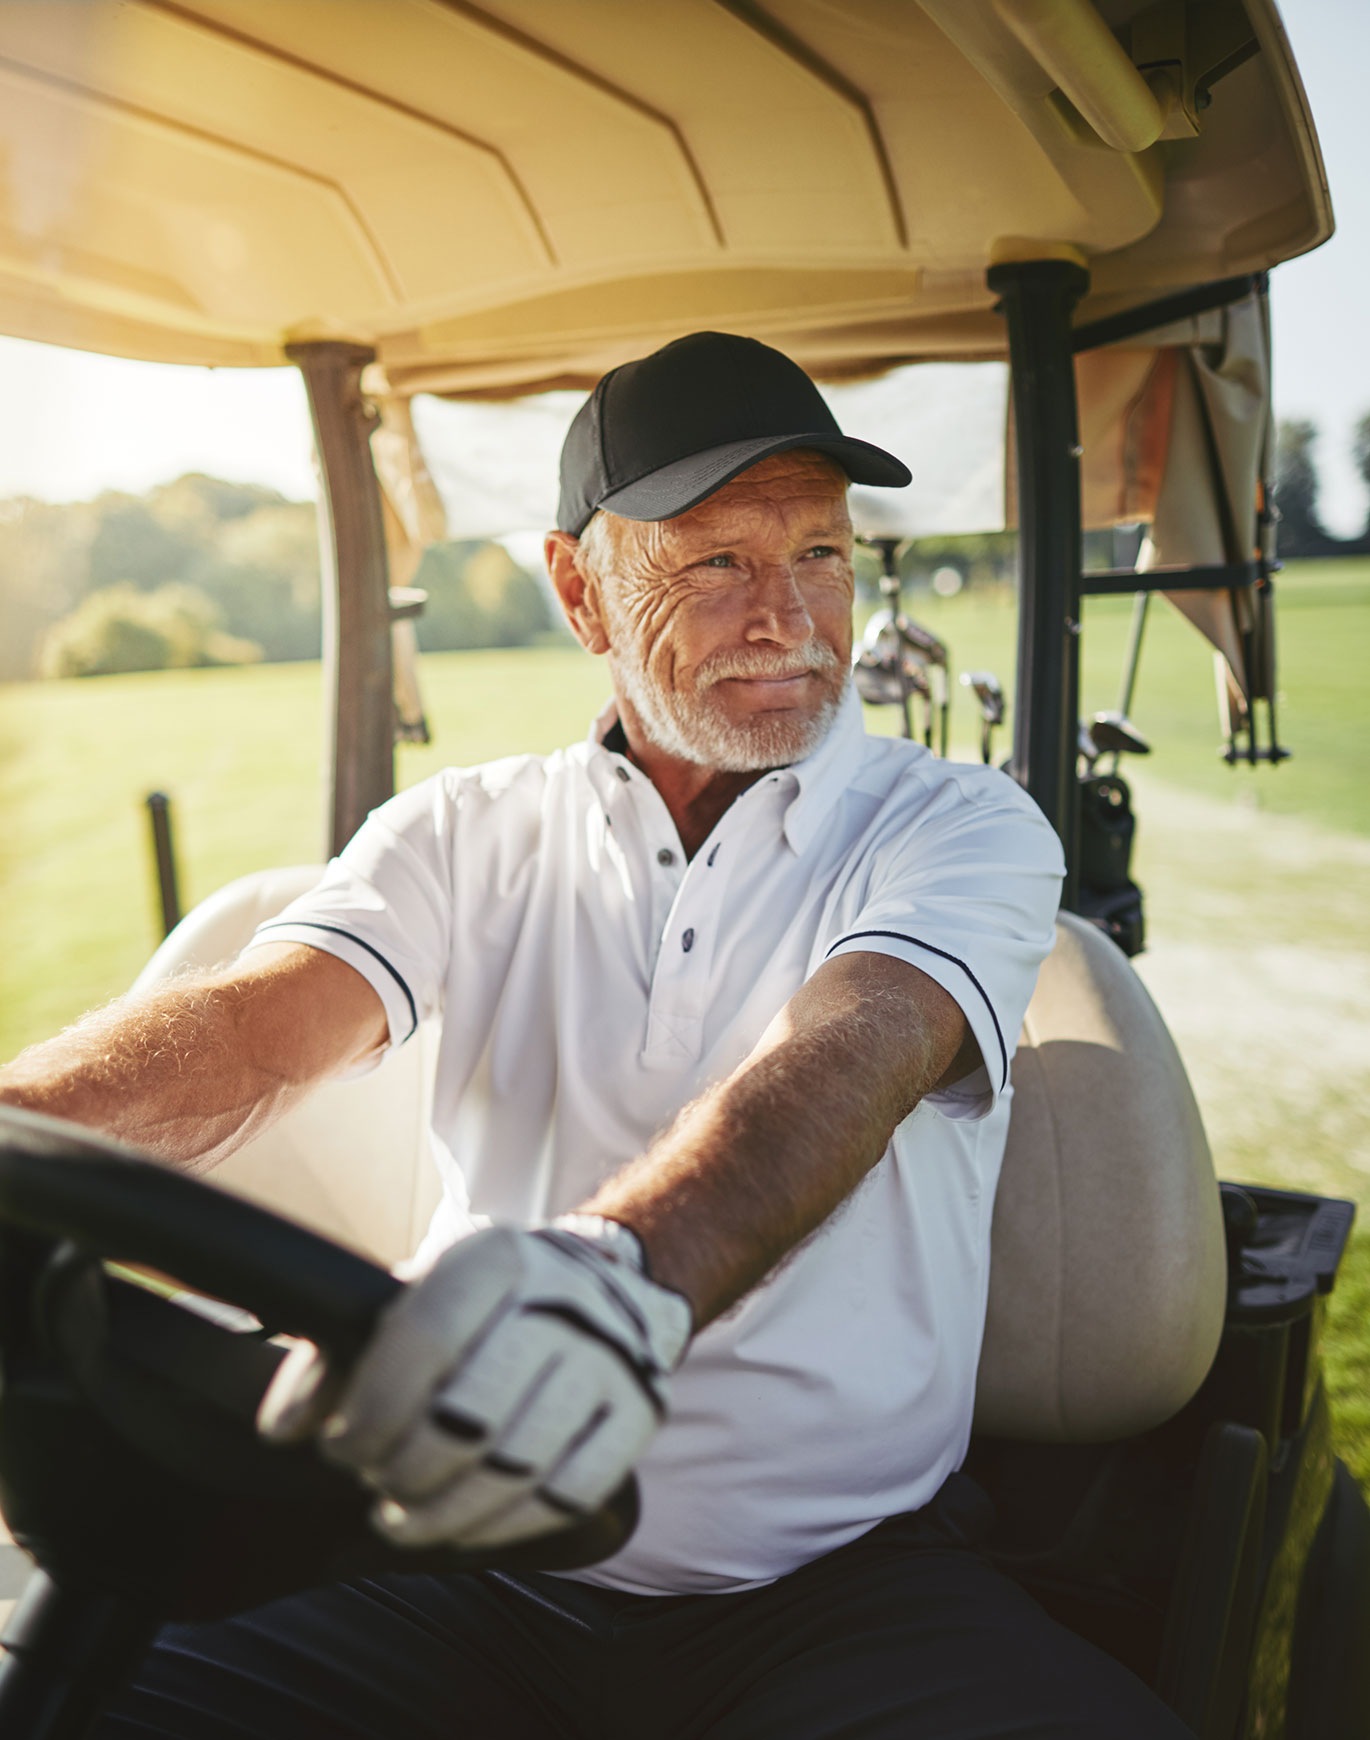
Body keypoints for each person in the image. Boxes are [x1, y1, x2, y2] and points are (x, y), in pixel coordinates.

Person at [0, 332, 1192, 1738]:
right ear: (579, 590)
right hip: (437, 1553)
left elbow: (857, 1047)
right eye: (716, 563)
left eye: (820, 552)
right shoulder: (462, 829)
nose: (792, 618)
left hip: (834, 1583)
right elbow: (259, 1032)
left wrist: (614, 1281)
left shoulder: (956, 825)